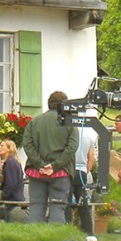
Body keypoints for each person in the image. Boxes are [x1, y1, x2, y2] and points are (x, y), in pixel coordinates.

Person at [22, 91, 79, 224]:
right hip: (61, 173)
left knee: (36, 207)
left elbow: (27, 144)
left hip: (37, 172)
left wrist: (40, 164)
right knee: (58, 208)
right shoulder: (69, 124)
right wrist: (55, 166)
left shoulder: (34, 122)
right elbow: (72, 147)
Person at [71, 125, 99, 235]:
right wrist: (86, 171)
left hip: (69, 170)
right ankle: (88, 231)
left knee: (66, 202)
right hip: (82, 172)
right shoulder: (88, 136)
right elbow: (91, 158)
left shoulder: (68, 134)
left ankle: (66, 228)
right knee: (83, 202)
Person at [0, 139, 25, 221]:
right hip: (10, 195)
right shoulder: (7, 162)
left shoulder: (11, 163)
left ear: (9, 149)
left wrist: (2, 194)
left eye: (2, 146)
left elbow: (11, 183)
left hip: (13, 196)